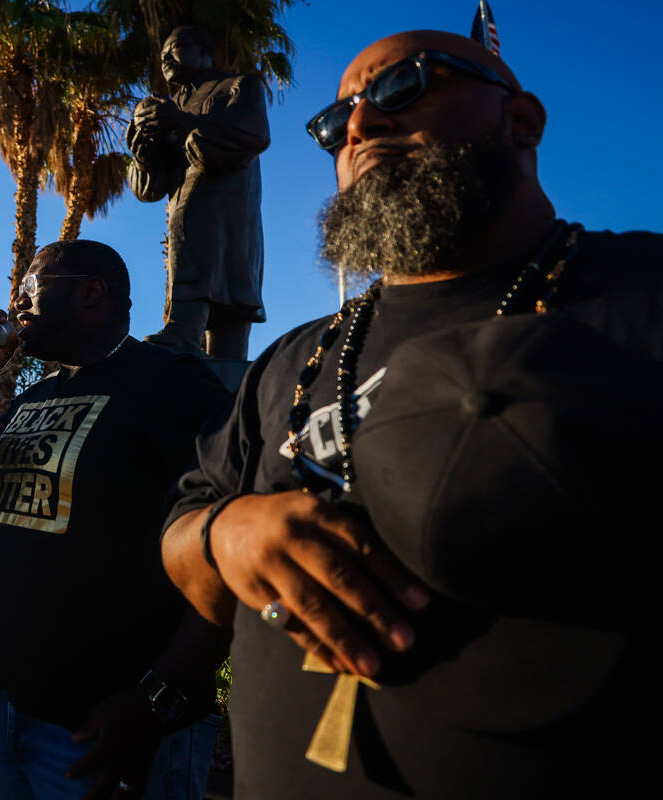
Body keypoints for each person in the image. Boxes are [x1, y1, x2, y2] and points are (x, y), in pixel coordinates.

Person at [160, 30, 662, 798]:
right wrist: (229, 534)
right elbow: (184, 534)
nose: (359, 125)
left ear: (521, 122)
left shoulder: (640, 297)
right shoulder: (293, 358)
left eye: (401, 88)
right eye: (336, 122)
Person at [0, 240, 233, 799]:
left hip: (105, 721)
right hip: (11, 704)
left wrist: (159, 698)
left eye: (31, 287)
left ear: (91, 291)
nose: (18, 303)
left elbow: (223, 546)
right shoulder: (36, 396)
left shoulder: (173, 385)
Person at [126, 25, 270, 360]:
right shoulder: (170, 104)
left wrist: (180, 119)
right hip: (185, 217)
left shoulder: (238, 85)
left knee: (231, 325)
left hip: (228, 214)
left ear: (204, 50)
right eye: (161, 54)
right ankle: (185, 334)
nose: (165, 58)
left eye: (174, 47)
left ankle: (184, 331)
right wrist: (144, 151)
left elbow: (252, 136)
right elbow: (150, 188)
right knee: (195, 259)